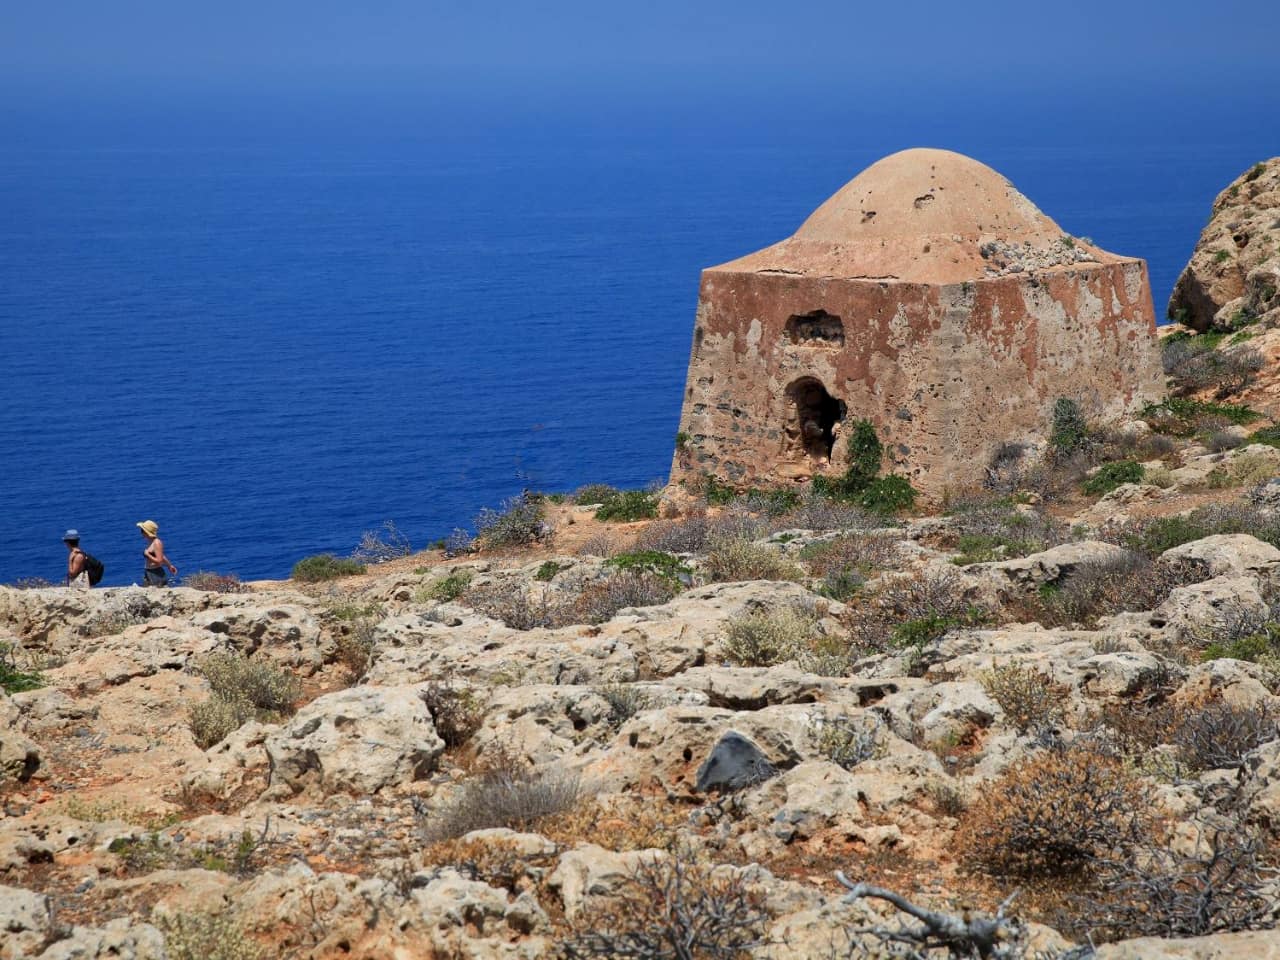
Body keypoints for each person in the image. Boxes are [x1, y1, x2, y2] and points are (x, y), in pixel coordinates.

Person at [136, 519, 177, 586]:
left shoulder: (157, 543)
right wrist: (169, 565)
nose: (141, 532)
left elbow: (159, 561)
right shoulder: (150, 542)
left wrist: (148, 554)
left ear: (147, 532)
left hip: (155, 574)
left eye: (142, 530)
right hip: (149, 572)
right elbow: (161, 555)